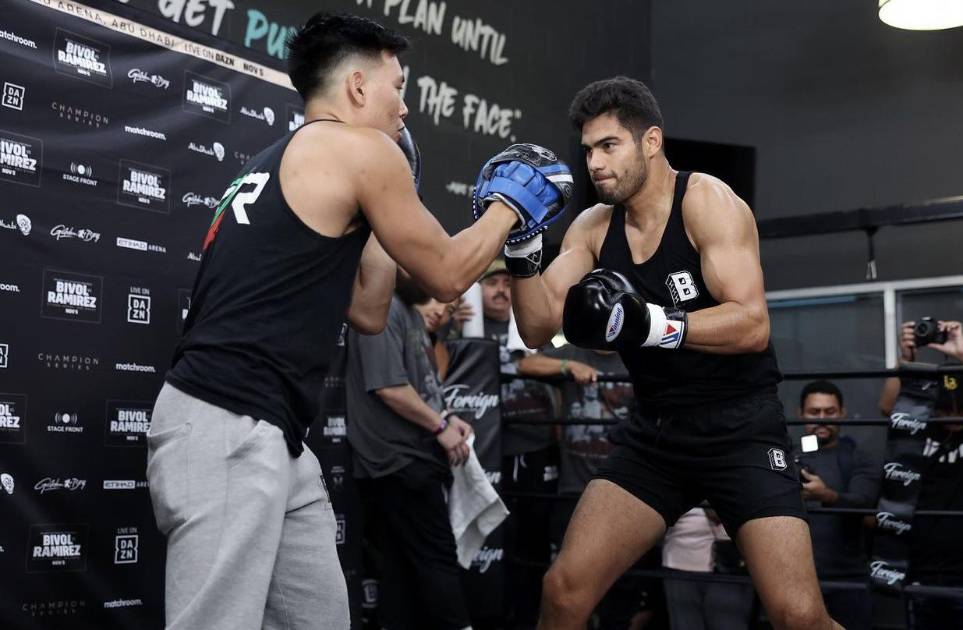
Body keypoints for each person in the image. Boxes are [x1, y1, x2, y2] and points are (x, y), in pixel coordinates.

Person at [146, 12, 569, 630]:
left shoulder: (282, 157)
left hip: (266, 432)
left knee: (320, 618)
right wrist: (512, 205)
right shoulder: (357, 148)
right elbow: (449, 274)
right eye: (398, 87)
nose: (405, 109)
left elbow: (369, 310)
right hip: (229, 421)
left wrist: (382, 214)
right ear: (357, 86)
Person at [490, 76, 841, 629]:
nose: (595, 163)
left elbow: (752, 324)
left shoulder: (707, 201)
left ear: (650, 141)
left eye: (609, 146)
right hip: (656, 435)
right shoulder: (591, 227)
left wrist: (653, 323)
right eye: (588, 150)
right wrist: (521, 248)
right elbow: (536, 327)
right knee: (563, 590)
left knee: (798, 615)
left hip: (740, 431)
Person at [347, 274, 473, 630]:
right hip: (398, 458)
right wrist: (440, 427)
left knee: (402, 570)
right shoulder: (382, 308)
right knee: (435, 559)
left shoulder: (411, 314)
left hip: (412, 458)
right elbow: (388, 387)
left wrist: (448, 416)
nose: (443, 308)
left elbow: (424, 387)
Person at [517, 347, 657, 629]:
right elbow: (526, 365)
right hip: (576, 490)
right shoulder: (574, 352)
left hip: (628, 491)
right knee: (568, 588)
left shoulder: (639, 353)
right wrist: (567, 366)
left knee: (623, 589)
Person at [479, 259, 560, 629]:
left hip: (537, 446)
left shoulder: (533, 329)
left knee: (536, 539)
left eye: (508, 283)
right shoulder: (462, 328)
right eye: (492, 283)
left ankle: (530, 618)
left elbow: (561, 368)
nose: (501, 290)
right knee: (497, 539)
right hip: (488, 451)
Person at [878, 319, 963, 629]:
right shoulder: (920, 430)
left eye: (959, 408)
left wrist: (961, 354)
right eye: (945, 409)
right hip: (923, 566)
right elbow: (887, 407)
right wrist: (906, 360)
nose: (952, 415)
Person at [794, 380, 880, 630]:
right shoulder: (787, 456)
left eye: (829, 412)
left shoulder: (858, 458)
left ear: (842, 413)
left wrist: (827, 495)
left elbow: (864, 503)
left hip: (848, 579)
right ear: (801, 414)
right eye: (814, 412)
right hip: (797, 579)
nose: (822, 419)